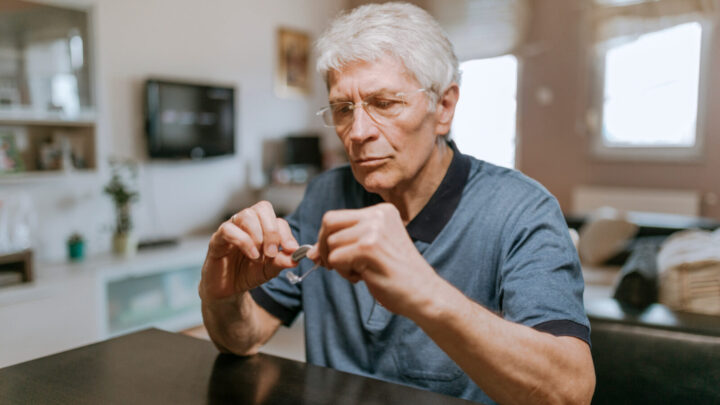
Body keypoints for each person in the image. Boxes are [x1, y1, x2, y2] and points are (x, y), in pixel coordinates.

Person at [199, 3, 595, 404]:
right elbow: (242, 339)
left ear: (443, 107)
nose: (358, 132)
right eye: (342, 109)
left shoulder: (522, 211)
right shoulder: (325, 196)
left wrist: (425, 292)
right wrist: (223, 294)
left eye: (385, 103)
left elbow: (570, 393)